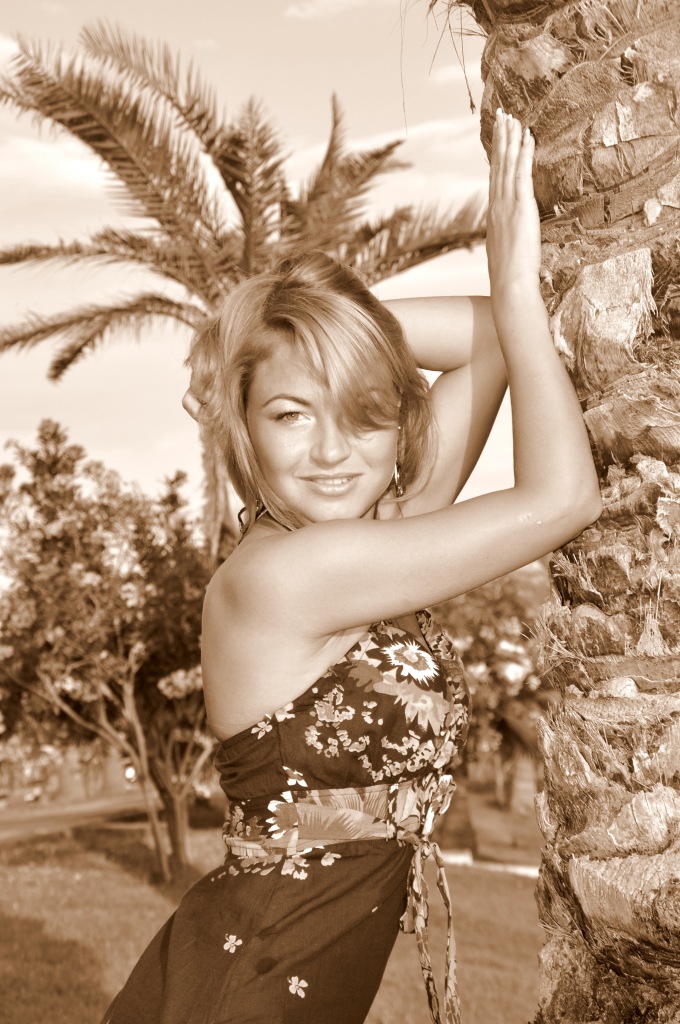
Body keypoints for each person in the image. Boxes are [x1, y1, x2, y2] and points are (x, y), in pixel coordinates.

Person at [102, 112, 601, 1024]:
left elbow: (493, 339)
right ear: (244, 426)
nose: (333, 452)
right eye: (290, 414)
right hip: (244, 997)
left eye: (365, 412)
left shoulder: (368, 538)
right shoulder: (292, 576)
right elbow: (563, 498)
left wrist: (303, 334)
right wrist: (511, 291)